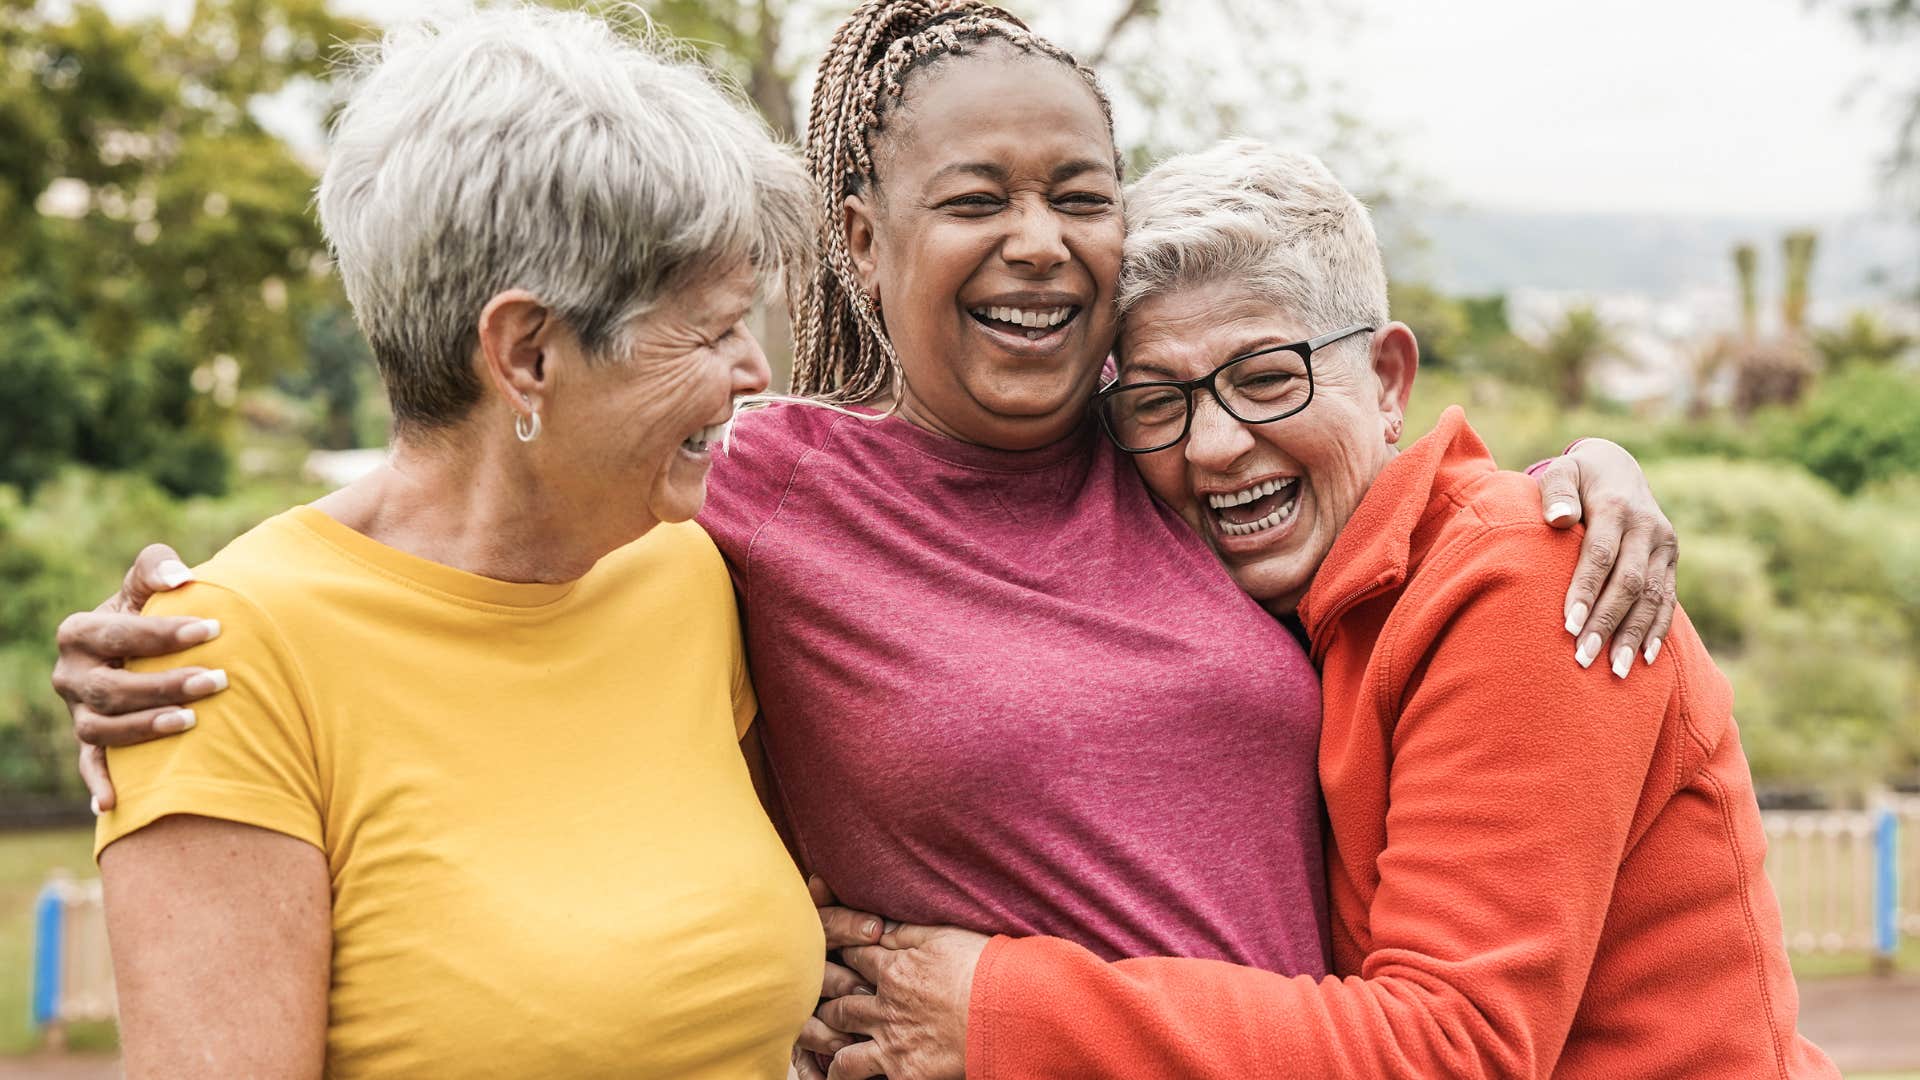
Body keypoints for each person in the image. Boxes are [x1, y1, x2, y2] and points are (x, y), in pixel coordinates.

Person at [54, 3, 1683, 1073]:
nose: (1038, 243)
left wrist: (1585, 480)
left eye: (1081, 194)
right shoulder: (740, 498)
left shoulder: (1181, 456)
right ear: (859, 237)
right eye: (976, 197)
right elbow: (467, 522)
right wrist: (176, 626)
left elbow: (1385, 493)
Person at [805, 141, 1837, 1079]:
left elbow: (1449, 1049)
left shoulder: (1526, 582)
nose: (1213, 445)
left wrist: (996, 1008)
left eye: (1266, 377)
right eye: (1160, 401)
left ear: (1389, 378)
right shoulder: (1273, 594)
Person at [65, 9, 826, 1077]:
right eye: (709, 330)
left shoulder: (687, 563)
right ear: (525, 354)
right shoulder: (218, 662)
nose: (755, 372)